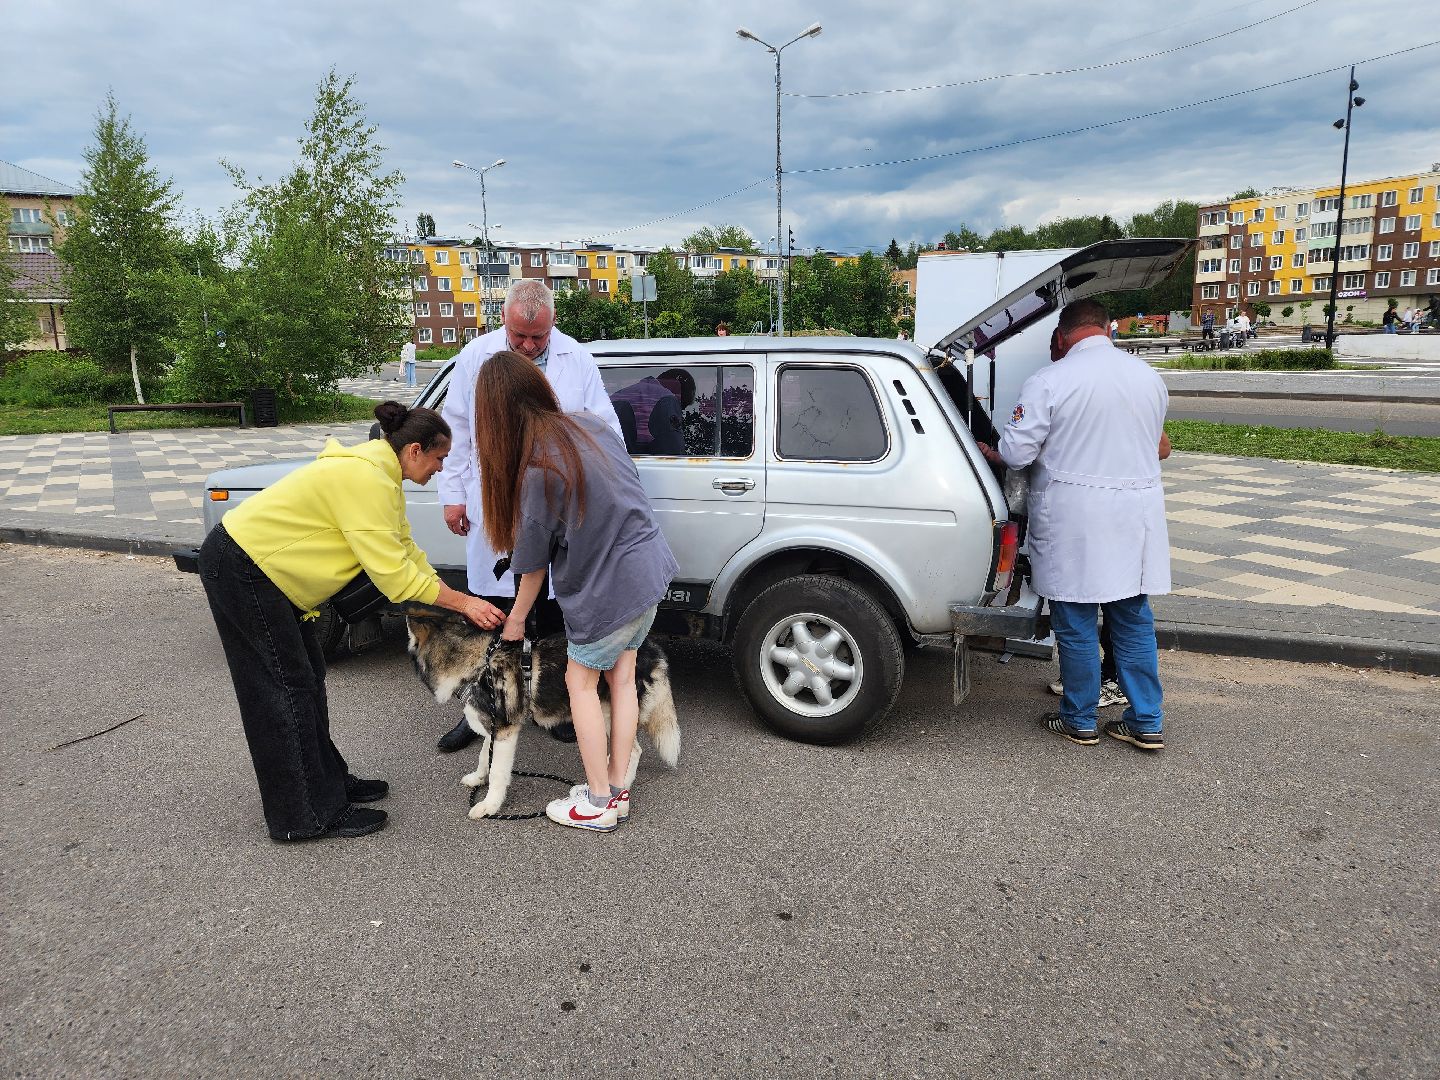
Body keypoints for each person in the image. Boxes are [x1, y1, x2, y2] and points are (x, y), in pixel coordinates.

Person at [198, 403, 505, 841]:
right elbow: (394, 577)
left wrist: (458, 598)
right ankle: (304, 816)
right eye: (439, 458)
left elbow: (406, 553)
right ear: (414, 450)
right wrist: (464, 604)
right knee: (282, 693)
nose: (441, 469)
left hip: (267, 574)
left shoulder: (382, 477)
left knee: (307, 681)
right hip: (244, 570)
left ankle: (328, 784)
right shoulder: (365, 479)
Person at [473, 351, 679, 832]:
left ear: (494, 416)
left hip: (608, 594)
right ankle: (617, 790)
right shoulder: (589, 424)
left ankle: (598, 803)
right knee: (622, 680)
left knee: (580, 684)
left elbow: (531, 567)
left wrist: (516, 621)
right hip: (650, 573)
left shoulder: (539, 470)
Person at [437, 279, 621, 752]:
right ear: (504, 319)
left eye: (538, 336)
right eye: (519, 335)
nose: (528, 345)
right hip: (493, 498)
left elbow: (604, 425)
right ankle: (481, 710)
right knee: (489, 611)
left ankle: (552, 706)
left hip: (554, 500)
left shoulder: (577, 358)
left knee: (554, 611)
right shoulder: (475, 356)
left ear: (553, 322)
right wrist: (453, 495)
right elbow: (456, 431)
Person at [977, 299, 1170, 751]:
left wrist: (992, 453)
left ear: (1061, 336)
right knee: (1132, 620)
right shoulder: (1148, 377)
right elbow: (1161, 447)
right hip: (1135, 517)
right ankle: (1146, 722)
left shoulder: (1050, 380)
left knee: (1077, 620)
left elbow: (1018, 454)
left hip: (1075, 518)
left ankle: (1079, 719)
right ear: (1107, 328)